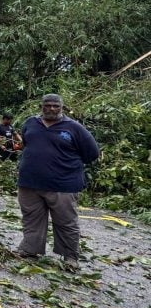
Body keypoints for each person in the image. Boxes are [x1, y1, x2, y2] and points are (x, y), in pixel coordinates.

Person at [15, 93, 100, 272]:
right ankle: (30, 249)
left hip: (63, 185)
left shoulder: (74, 128)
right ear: (42, 106)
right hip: (30, 183)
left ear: (62, 108)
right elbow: (26, 143)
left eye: (56, 106)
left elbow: (92, 153)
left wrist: (65, 166)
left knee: (66, 221)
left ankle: (70, 257)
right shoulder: (31, 123)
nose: (52, 109)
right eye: (48, 105)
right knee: (31, 218)